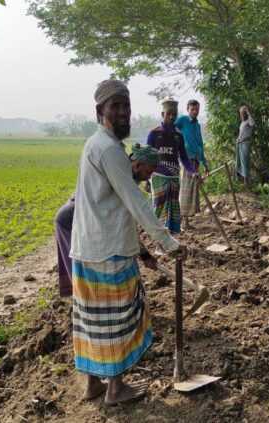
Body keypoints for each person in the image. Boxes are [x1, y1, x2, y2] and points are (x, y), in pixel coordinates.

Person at [71, 80, 187, 405]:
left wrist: (145, 250)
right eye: (115, 106)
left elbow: (113, 206)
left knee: (93, 322)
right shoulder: (109, 150)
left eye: (126, 105)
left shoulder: (95, 145)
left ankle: (93, 384)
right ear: (100, 111)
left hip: (88, 249)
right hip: (108, 252)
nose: (123, 112)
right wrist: (169, 243)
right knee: (120, 320)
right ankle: (115, 388)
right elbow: (136, 201)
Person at [54, 144, 160, 298]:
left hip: (90, 220)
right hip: (70, 221)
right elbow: (128, 231)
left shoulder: (124, 175)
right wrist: (146, 257)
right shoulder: (120, 180)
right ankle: (83, 306)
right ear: (136, 165)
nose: (149, 177)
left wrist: (144, 256)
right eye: (148, 172)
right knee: (82, 270)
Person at [146, 99, 198, 252]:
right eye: (168, 114)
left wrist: (193, 172)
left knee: (172, 211)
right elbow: (147, 157)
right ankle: (158, 244)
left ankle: (168, 242)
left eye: (174, 114)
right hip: (158, 176)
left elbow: (183, 158)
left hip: (174, 177)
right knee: (158, 209)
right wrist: (146, 179)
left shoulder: (178, 136)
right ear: (163, 114)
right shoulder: (154, 134)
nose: (171, 117)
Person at [175, 99, 209, 230]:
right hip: (185, 159)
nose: (195, 112)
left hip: (195, 159)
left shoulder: (197, 125)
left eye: (197, 110)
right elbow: (172, 128)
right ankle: (182, 222)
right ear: (188, 109)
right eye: (192, 109)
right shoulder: (182, 120)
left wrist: (204, 162)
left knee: (192, 189)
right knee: (185, 189)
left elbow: (200, 144)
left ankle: (186, 221)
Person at [235, 105, 255, 186]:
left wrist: (248, 113)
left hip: (245, 143)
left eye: (244, 113)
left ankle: (246, 181)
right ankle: (241, 179)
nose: (242, 115)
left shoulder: (249, 121)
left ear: (247, 113)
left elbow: (252, 123)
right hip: (240, 143)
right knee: (239, 161)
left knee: (245, 161)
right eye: (241, 113)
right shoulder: (243, 122)